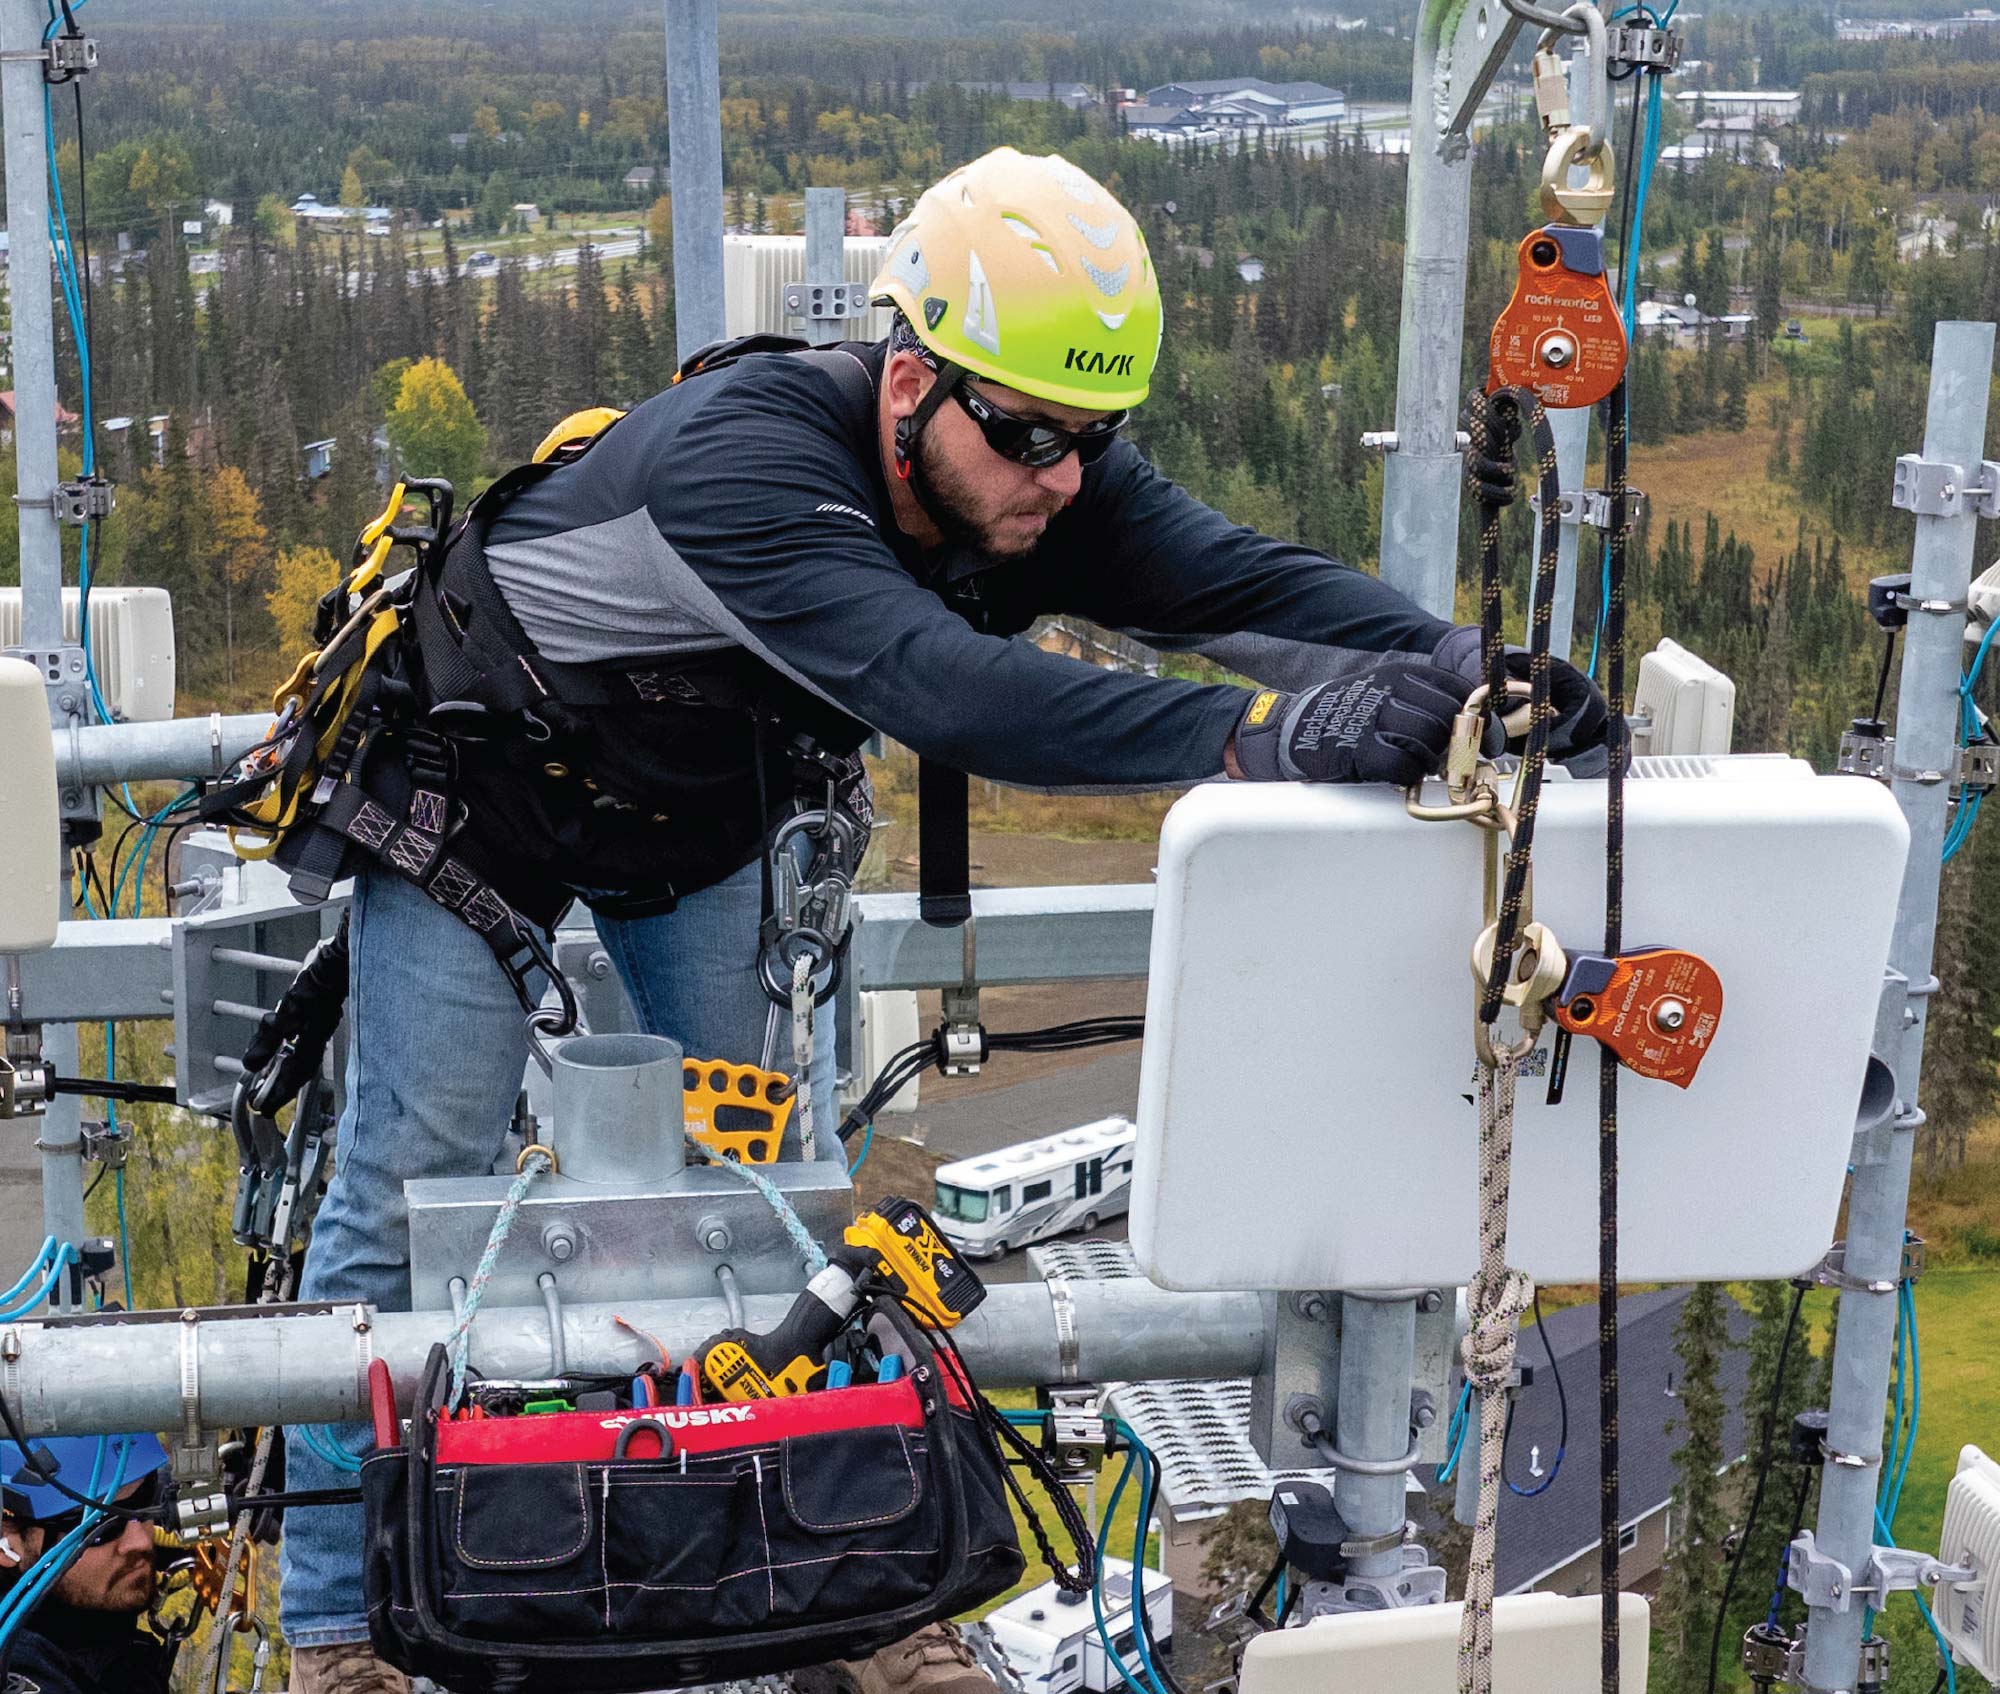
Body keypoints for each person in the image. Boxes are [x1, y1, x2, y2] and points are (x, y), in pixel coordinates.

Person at [279, 146, 1607, 1693]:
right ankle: (335, 1628)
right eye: (1031, 436)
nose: (1060, 478)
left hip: (695, 807)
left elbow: (1242, 586)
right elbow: (950, 688)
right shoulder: (748, 465)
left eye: (1090, 442)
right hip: (478, 788)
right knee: (405, 1189)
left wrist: (1459, 666)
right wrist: (1263, 738)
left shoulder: (1028, 463)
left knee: (764, 1200)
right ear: (911, 383)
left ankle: (821, 1584)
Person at [0, 1433, 176, 1694]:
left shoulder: (80, 1590)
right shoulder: (17, 1665)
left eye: (145, 1501)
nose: (139, 1542)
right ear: (6, 1544)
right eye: (97, 1528)